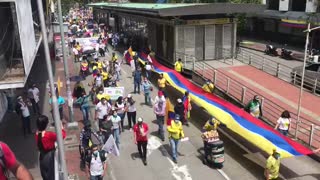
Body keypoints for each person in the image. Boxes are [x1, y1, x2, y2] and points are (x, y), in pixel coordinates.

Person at [35, 115, 66, 180]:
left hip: (42, 157)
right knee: (53, 173)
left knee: (45, 174)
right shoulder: (48, 135)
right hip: (50, 156)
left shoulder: (37, 134)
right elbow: (62, 136)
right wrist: (61, 127)